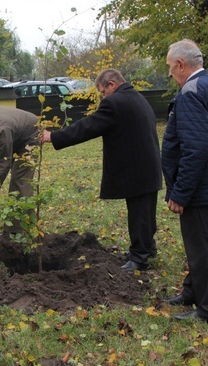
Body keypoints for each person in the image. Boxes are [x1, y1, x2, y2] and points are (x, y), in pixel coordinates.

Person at [39, 69, 162, 271]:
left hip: (137, 168)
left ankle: (139, 258)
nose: (103, 96)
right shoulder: (138, 97)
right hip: (148, 165)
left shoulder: (114, 102)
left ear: (112, 84)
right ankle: (148, 247)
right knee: (146, 210)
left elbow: (88, 127)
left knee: (139, 212)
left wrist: (55, 136)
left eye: (103, 91)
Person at [161, 39, 208, 324]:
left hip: (200, 188)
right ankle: (193, 292)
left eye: (170, 67)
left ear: (181, 64)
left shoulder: (190, 91)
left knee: (202, 249)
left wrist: (180, 193)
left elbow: (196, 148)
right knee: (201, 244)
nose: (169, 73)